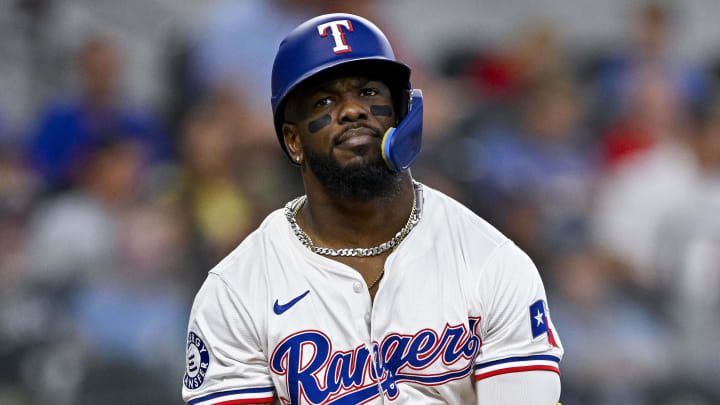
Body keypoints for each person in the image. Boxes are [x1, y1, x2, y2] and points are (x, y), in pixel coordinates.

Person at [182, 13, 563, 405]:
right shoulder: (236, 291)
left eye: (368, 93)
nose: (352, 110)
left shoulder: (491, 262)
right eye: (325, 100)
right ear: (293, 141)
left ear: (401, 115)